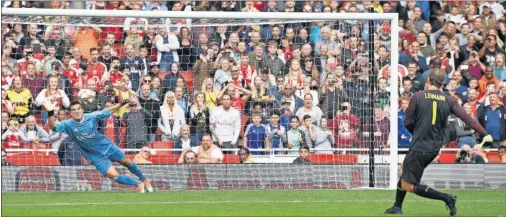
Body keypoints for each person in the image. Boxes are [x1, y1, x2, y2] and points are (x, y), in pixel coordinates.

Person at [385, 69, 493, 216]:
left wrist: (416, 132)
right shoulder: (450, 100)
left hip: (420, 145)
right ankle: (397, 206)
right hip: (435, 146)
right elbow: (467, 118)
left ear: (428, 80)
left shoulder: (417, 96)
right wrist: (485, 134)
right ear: (443, 83)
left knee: (407, 184)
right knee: (403, 172)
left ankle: (446, 198)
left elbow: (408, 122)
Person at [46, 97, 153, 193]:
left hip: (107, 146)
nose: (76, 111)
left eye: (78, 108)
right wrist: (50, 113)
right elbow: (53, 126)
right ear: (71, 113)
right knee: (113, 175)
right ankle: (138, 184)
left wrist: (124, 102)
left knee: (127, 162)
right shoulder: (67, 124)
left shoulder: (91, 116)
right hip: (94, 156)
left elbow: (108, 111)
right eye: (73, 110)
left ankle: (144, 179)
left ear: (82, 110)